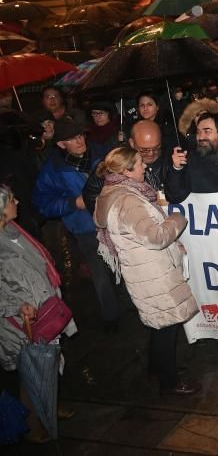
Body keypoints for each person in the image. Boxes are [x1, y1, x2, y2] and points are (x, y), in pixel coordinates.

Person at [93, 147, 200, 396]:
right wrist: (177, 219)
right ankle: (170, 382)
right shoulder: (128, 201)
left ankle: (157, 369)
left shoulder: (114, 192)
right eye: (140, 163)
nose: (145, 167)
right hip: (153, 272)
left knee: (158, 324)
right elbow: (156, 236)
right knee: (167, 326)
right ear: (126, 171)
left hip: (144, 271)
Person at [0, 186, 78, 443]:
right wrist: (15, 307)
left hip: (45, 313)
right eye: (11, 199)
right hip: (19, 324)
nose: (17, 201)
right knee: (31, 372)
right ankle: (34, 424)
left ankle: (51, 405)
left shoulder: (13, 231)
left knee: (50, 363)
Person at [33, 117, 119, 332]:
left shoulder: (101, 153)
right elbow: (43, 203)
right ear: (62, 144)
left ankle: (132, 302)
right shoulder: (53, 169)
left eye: (81, 135)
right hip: (86, 228)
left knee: (125, 263)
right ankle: (111, 316)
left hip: (115, 220)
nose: (80, 140)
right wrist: (73, 202)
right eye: (72, 138)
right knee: (99, 271)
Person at [164, 111, 218, 202]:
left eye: (207, 131)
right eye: (198, 132)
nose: (201, 137)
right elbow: (174, 197)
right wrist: (176, 169)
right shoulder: (192, 160)